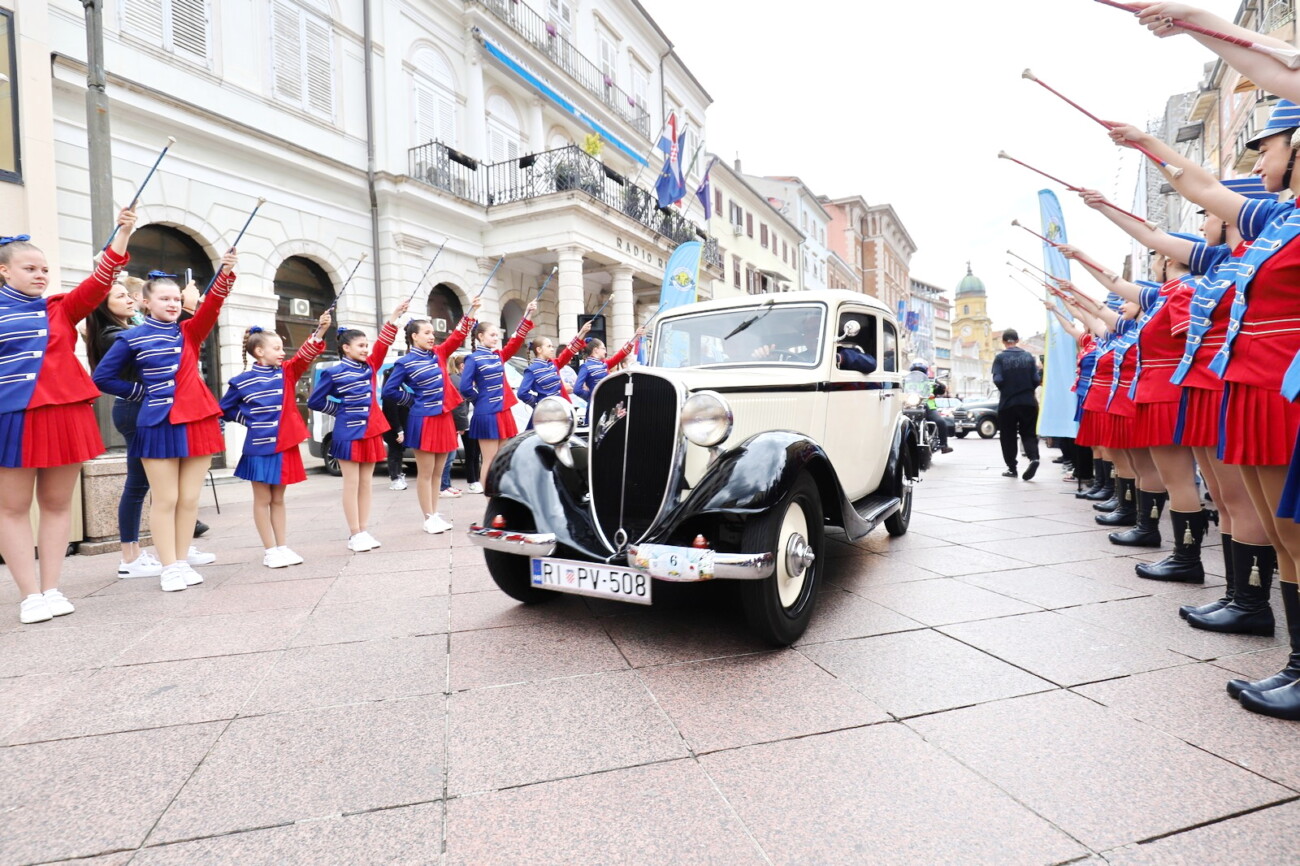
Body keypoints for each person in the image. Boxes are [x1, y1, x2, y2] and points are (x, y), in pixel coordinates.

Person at [1107, 106, 1300, 720]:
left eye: (1268, 147)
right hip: (1246, 383)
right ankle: (1294, 659)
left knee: (1287, 526)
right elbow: (1200, 185)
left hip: (1282, 385)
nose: (1260, 159)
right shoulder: (1277, 221)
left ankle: (1252, 606)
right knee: (1280, 530)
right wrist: (1144, 144)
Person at [0, 210, 136, 623]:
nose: (41, 275)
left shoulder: (60, 308)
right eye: (30, 268)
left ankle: (52, 588)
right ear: (4, 272)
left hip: (64, 412)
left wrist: (123, 233)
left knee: (58, 504)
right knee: (12, 508)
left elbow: (99, 281)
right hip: (12, 415)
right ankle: (29, 595)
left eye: (44, 268)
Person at [94, 250, 234, 592]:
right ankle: (168, 566)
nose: (172, 304)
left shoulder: (189, 332)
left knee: (189, 499)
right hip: (157, 423)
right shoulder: (131, 338)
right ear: (146, 302)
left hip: (197, 420)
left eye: (176, 299)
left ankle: (182, 560)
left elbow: (213, 305)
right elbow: (102, 377)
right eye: (164, 298)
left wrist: (225, 273)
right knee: (165, 498)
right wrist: (140, 392)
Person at [220, 313, 329, 568]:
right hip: (258, 448)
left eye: (282, 348)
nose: (282, 353)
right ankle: (269, 551)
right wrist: (249, 420)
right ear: (259, 351)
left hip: (283, 446)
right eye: (277, 348)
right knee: (262, 500)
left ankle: (282, 546)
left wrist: (320, 331)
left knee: (279, 499)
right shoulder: (241, 381)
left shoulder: (287, 373)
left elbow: (304, 355)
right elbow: (224, 409)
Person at [307, 299, 409, 552]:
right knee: (351, 484)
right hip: (348, 433)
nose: (366, 350)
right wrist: (340, 410)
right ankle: (354, 533)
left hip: (371, 431)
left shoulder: (370, 367)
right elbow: (315, 400)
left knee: (366, 483)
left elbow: (384, 344)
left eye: (366, 345)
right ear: (346, 348)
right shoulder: (334, 373)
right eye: (361, 346)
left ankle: (364, 530)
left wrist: (394, 316)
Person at [382, 298, 480, 535]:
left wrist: (471, 312)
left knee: (439, 471)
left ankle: (435, 513)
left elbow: (456, 338)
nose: (431, 336)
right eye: (426, 332)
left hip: (443, 418)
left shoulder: (437, 354)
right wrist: (412, 400)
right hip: (423, 419)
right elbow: (388, 391)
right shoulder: (404, 362)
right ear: (414, 336)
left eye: (432, 332)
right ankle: (428, 517)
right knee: (425, 473)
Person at [85, 276, 160, 579]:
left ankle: (172, 545)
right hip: (134, 409)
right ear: (104, 307)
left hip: (139, 409)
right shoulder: (112, 334)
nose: (130, 299)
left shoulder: (122, 330)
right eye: (121, 297)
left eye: (130, 296)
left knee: (156, 482)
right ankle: (129, 556)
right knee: (138, 483)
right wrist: (139, 392)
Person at [460, 302, 537, 488]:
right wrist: (480, 400)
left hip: (503, 411)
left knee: (502, 459)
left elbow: (515, 341)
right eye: (492, 335)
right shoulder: (473, 358)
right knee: (489, 459)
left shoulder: (498, 356)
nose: (496, 338)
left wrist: (527, 315)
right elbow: (464, 387)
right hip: (486, 413)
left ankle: (501, 495)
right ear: (480, 337)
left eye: (497, 335)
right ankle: (489, 498)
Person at [992, 329, 1042, 479]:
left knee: (1008, 436)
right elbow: (1035, 379)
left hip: (1008, 403)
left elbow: (998, 379)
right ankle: (1033, 458)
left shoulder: (1000, 358)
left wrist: (1008, 389)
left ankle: (1012, 468)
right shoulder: (1028, 357)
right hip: (1028, 402)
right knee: (1028, 433)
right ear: (1017, 339)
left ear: (1003, 341)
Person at [517, 322, 591, 422]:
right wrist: (538, 403)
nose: (552, 349)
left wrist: (582, 332)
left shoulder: (553, 364)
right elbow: (522, 393)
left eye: (552, 346)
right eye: (549, 346)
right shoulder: (532, 370)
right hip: (544, 414)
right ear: (539, 349)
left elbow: (568, 351)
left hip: (560, 409)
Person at [574, 327, 646, 408]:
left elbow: (621, 354)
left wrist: (635, 337)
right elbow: (577, 389)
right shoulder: (585, 367)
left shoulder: (604, 364)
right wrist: (592, 396)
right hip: (595, 406)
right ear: (596, 350)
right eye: (603, 348)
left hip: (608, 403)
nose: (605, 351)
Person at [448, 352, 479, 493]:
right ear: (462, 366)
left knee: (474, 452)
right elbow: (459, 406)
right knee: (471, 453)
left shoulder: (464, 379)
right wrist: (463, 425)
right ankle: (473, 481)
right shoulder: (458, 380)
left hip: (471, 420)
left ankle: (475, 481)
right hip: (466, 422)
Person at [907, 360, 952, 454]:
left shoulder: (930, 382)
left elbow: (941, 390)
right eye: (915, 371)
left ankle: (944, 445)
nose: (918, 373)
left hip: (928, 406)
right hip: (910, 405)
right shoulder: (906, 381)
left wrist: (939, 386)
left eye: (920, 371)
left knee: (940, 421)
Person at [380, 365, 410, 491]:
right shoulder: (389, 393)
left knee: (399, 452)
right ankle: (395, 478)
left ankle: (399, 475)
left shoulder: (399, 388)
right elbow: (391, 414)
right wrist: (399, 430)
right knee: (394, 453)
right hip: (393, 430)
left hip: (400, 427)